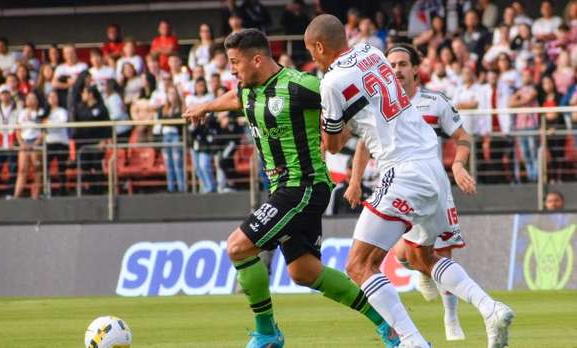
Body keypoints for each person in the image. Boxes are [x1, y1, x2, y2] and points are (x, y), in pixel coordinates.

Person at [304, 14, 513, 348]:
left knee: (359, 265)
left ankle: (413, 342)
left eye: (312, 53)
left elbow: (332, 144)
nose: (313, 60)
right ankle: (491, 308)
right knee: (420, 258)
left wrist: (322, 126)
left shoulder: (330, 83)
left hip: (401, 169)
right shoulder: (372, 52)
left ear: (319, 46)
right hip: (432, 167)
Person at [183, 28, 398, 348]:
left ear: (257, 59)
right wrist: (206, 106)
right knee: (305, 272)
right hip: (283, 189)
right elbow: (235, 97)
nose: (231, 69)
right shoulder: (248, 88)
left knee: (238, 247)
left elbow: (345, 103)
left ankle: (267, 332)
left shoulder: (301, 86)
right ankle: (388, 325)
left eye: (235, 62)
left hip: (304, 186)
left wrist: (336, 139)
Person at [383, 43, 473, 341]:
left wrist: (458, 166)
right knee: (402, 255)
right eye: (392, 64)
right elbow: (361, 144)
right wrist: (356, 179)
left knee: (443, 251)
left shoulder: (435, 102)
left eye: (402, 64)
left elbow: (462, 137)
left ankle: (451, 317)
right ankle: (421, 272)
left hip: (434, 189)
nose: (397, 69)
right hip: (399, 187)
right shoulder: (382, 104)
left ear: (415, 69)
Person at [72, 86, 111, 195]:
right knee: (85, 166)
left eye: (84, 92)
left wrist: (104, 140)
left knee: (96, 165)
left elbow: (107, 125)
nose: (82, 95)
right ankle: (88, 188)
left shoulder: (101, 108)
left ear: (91, 94)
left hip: (97, 142)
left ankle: (100, 189)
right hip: (84, 143)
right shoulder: (80, 108)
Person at [152, 85, 185, 193]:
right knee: (168, 163)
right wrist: (170, 118)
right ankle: (171, 187)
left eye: (173, 93)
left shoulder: (180, 108)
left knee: (177, 162)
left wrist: (169, 118)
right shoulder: (163, 108)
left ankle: (181, 187)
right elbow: (161, 119)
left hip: (175, 136)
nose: (172, 96)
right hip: (165, 136)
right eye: (170, 93)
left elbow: (178, 120)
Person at [187, 77, 216, 193]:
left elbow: (210, 116)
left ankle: (211, 187)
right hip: (194, 137)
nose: (200, 88)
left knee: (205, 165)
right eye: (198, 85)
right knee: (198, 168)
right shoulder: (190, 98)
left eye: (202, 85)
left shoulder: (210, 98)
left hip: (205, 136)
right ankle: (205, 188)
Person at [14, 92, 44, 199]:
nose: (31, 100)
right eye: (28, 98)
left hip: (35, 142)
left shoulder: (41, 112)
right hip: (24, 142)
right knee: (22, 170)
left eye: (33, 98)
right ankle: (17, 195)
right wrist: (21, 143)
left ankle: (36, 194)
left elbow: (43, 130)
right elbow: (18, 129)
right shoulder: (21, 113)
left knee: (37, 168)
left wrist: (36, 143)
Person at [45, 90, 70, 196]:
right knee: (45, 167)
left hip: (61, 142)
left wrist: (48, 123)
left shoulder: (62, 111)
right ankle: (47, 189)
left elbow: (61, 123)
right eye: (50, 96)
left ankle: (63, 188)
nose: (53, 98)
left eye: (54, 96)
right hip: (49, 142)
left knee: (62, 167)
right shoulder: (45, 112)